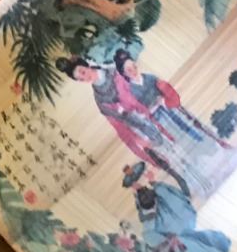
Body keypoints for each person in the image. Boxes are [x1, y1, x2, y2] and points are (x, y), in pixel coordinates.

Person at [57, 56, 190, 195]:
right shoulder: (101, 100)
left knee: (183, 140)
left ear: (87, 65)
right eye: (80, 79)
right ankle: (181, 179)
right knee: (165, 153)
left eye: (83, 72)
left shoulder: (115, 70)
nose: (85, 77)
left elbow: (138, 80)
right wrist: (138, 140)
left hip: (159, 107)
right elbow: (120, 127)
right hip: (143, 127)